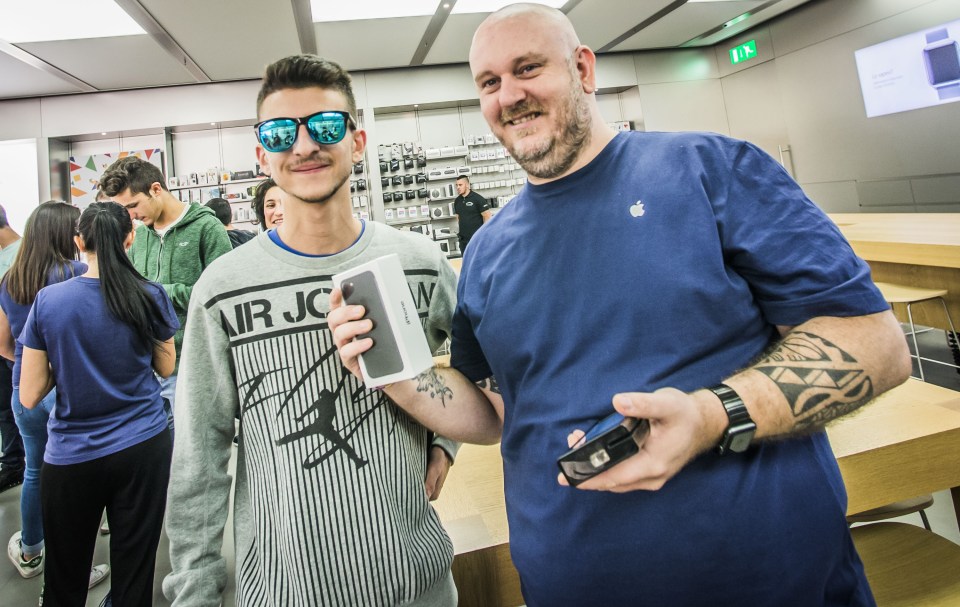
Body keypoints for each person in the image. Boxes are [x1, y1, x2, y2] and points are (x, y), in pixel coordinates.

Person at [327, 4, 912, 606]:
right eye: (490, 82)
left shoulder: (711, 169)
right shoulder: (487, 252)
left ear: (583, 69)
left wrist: (714, 414)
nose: (510, 95)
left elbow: (876, 345)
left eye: (528, 68)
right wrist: (396, 375)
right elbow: (501, 410)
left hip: (773, 583)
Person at [163, 55, 460, 607]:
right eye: (280, 132)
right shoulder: (221, 287)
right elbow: (199, 455)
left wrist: (445, 441)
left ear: (357, 140)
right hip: (284, 588)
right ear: (262, 155)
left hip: (418, 583)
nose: (303, 147)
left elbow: (477, 355)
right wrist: (195, 591)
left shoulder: (419, 262)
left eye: (324, 126)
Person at [18, 201, 178, 606]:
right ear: (130, 237)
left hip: (72, 455)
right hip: (144, 445)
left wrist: (65, 360)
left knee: (64, 577)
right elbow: (166, 365)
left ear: (78, 241)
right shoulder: (149, 294)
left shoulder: (49, 302)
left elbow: (29, 394)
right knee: (134, 570)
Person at [0, 202, 111, 593]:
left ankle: (30, 552)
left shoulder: (11, 279)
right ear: (70, 234)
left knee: (35, 471)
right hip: (66, 389)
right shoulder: (78, 272)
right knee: (77, 478)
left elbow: (5, 344)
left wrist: (30, 370)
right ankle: (70, 574)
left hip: (23, 392)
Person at [99, 156, 231, 431]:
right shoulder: (141, 236)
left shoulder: (207, 228)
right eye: (124, 210)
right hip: (148, 364)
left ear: (156, 189)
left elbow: (225, 293)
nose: (131, 217)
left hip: (192, 363)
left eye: (133, 205)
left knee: (190, 447)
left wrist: (160, 292)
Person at [0, 203, 24, 495]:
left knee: (20, 408)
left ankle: (18, 464)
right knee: (5, 409)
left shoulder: (22, 254)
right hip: (5, 347)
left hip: (17, 346)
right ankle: (11, 464)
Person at [452, 175, 491, 253]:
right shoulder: (457, 201)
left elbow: (488, 217)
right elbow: (458, 217)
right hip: (463, 240)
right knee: (466, 262)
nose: (458, 187)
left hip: (476, 239)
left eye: (460, 185)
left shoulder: (478, 199)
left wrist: (483, 234)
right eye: (457, 185)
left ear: (467, 185)